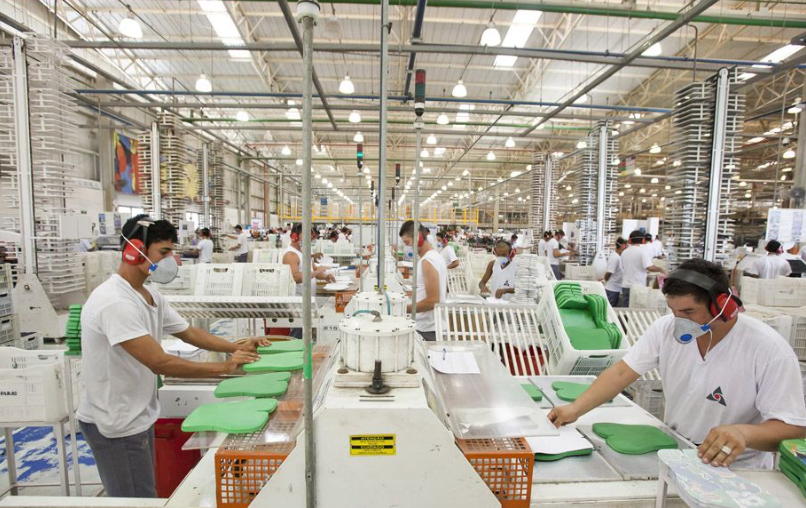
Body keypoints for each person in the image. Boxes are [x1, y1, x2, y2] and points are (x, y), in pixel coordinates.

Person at [548, 259, 806, 469]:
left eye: (689, 312)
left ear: (722, 305)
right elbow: (622, 373)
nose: (679, 320)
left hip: (738, 468)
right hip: (678, 452)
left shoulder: (768, 350)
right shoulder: (666, 329)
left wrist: (744, 433)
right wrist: (575, 408)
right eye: (674, 310)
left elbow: (794, 428)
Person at [78, 215, 267, 498]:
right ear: (134, 250)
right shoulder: (114, 302)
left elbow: (188, 332)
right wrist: (226, 369)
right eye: (164, 252)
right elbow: (159, 362)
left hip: (136, 412)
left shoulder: (149, 295)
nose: (171, 260)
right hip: (116, 421)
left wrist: (233, 347)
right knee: (136, 500)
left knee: (142, 492)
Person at [283, 223, 334, 339]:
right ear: (295, 236)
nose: (309, 239)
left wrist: (325, 276)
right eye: (305, 235)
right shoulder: (290, 255)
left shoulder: (304, 252)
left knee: (306, 334)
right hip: (298, 304)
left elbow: (313, 269)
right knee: (298, 334)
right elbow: (295, 277)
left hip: (308, 301)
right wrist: (317, 272)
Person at [400, 220, 447, 341]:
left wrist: (402, 308)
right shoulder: (436, 257)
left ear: (419, 238)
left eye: (407, 242)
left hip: (427, 329)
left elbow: (432, 301)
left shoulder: (427, 262)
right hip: (430, 326)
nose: (407, 247)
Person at [620, 230, 666, 305]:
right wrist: (661, 269)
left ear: (630, 240)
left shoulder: (624, 252)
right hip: (637, 287)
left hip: (625, 286)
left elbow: (623, 267)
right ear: (643, 240)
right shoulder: (643, 251)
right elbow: (649, 267)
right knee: (636, 310)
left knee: (626, 309)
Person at [603, 237, 627, 307]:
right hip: (612, 289)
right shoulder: (615, 258)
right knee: (610, 309)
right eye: (626, 245)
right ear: (623, 245)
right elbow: (609, 272)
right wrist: (605, 280)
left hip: (615, 288)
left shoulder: (618, 256)